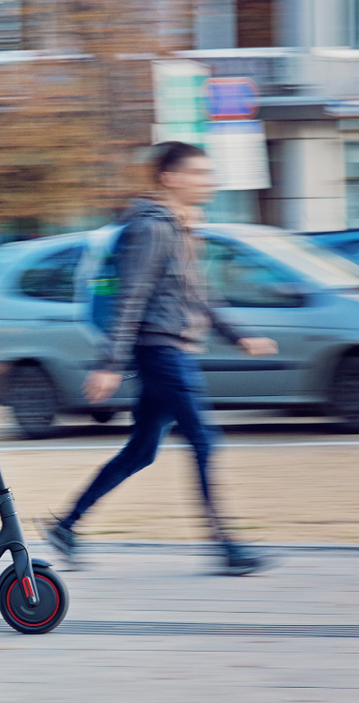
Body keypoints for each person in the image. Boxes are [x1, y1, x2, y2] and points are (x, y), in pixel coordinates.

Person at [43, 141, 278, 576]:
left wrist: (240, 337)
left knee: (141, 450)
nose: (210, 182)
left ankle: (66, 524)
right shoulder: (151, 228)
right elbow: (130, 298)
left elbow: (199, 294)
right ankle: (226, 544)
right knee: (204, 440)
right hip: (161, 351)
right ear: (171, 178)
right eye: (199, 173)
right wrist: (109, 364)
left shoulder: (179, 226)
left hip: (170, 349)